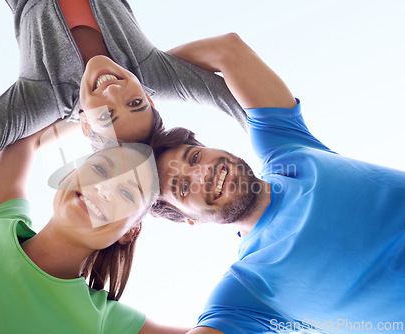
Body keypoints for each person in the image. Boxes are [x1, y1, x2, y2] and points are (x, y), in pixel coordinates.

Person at [0, 0, 246, 251]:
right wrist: (281, 151)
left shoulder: (42, 94)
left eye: (107, 115)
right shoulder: (147, 71)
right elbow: (228, 96)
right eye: (135, 104)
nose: (113, 92)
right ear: (151, 100)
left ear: (84, 125)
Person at [150, 33, 405, 333]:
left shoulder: (285, 148)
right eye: (181, 187)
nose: (201, 173)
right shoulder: (248, 288)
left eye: (194, 157)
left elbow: (227, 49)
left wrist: (134, 95)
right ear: (189, 220)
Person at [0, 120, 190, 333]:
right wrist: (103, 112)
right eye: (102, 169)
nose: (104, 189)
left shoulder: (105, 321)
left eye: (128, 194)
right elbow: (27, 132)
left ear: (130, 231)